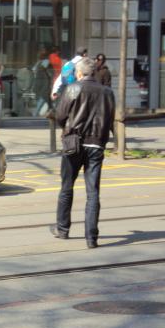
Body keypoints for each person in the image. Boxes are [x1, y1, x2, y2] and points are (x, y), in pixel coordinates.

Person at [51, 57, 115, 249]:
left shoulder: (73, 89)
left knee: (66, 187)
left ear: (79, 73)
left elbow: (60, 116)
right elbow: (110, 118)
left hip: (74, 142)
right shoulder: (107, 92)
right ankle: (91, 238)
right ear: (94, 72)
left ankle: (63, 229)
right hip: (96, 144)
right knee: (93, 191)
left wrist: (68, 128)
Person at [32, 47, 54, 115]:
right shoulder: (43, 62)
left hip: (41, 82)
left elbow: (34, 70)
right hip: (42, 82)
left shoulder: (41, 62)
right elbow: (47, 71)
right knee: (44, 97)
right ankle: (36, 112)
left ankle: (37, 112)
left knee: (45, 98)